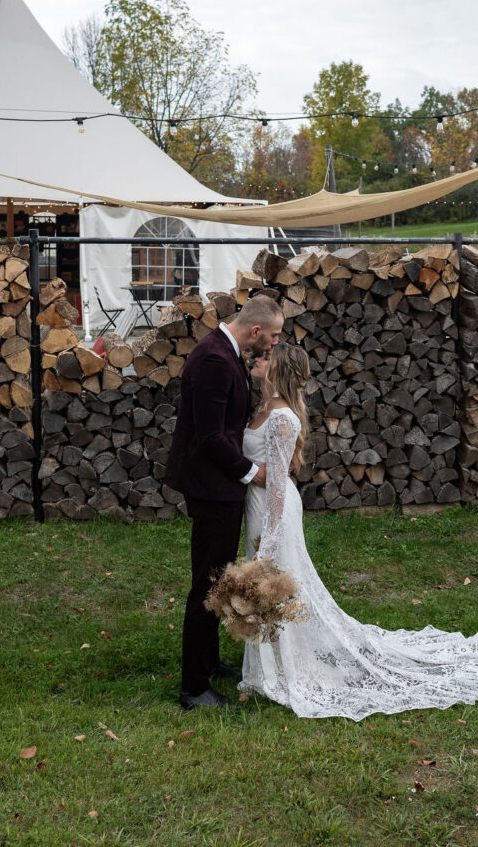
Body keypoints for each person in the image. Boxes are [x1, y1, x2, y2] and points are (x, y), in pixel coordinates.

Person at [240, 343, 478, 720]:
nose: (258, 357)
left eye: (267, 356)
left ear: (279, 369)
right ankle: (269, 664)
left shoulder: (283, 417)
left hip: (276, 511)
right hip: (257, 506)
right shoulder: (263, 408)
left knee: (277, 580)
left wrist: (268, 544)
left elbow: (275, 483)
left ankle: (288, 669)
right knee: (274, 586)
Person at [165, 294, 285, 710]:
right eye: (272, 336)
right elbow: (211, 437)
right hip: (211, 486)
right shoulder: (215, 359)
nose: (273, 344)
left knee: (218, 578)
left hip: (219, 485)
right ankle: (194, 687)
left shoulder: (226, 351)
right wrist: (254, 473)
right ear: (255, 331)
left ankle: (210, 661)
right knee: (208, 585)